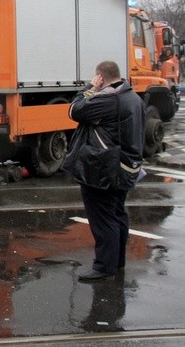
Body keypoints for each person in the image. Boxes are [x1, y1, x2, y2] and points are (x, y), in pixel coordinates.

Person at [62, 60, 145, 282]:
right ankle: (116, 262)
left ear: (100, 76)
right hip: (125, 166)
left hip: (104, 169)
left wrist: (90, 88)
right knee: (117, 213)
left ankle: (104, 267)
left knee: (103, 218)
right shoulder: (133, 98)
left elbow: (74, 110)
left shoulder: (108, 99)